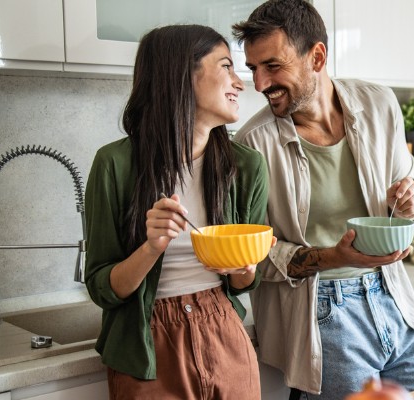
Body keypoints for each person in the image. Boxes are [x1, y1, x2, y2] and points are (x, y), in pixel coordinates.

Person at [231, 1, 414, 398]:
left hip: (393, 294)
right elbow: (257, 256)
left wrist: (410, 196)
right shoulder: (252, 146)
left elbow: (404, 181)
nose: (259, 84)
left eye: (272, 66)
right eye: (253, 69)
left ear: (317, 56)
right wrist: (336, 257)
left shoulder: (379, 104)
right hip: (321, 313)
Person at [84, 24, 272, 399]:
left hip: (225, 332)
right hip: (146, 345)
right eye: (226, 67)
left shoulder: (247, 166)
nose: (241, 82)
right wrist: (151, 247)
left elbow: (246, 283)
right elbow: (103, 288)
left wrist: (246, 267)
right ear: (181, 75)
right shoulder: (114, 165)